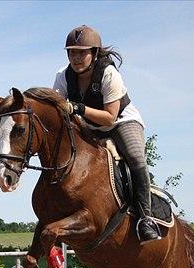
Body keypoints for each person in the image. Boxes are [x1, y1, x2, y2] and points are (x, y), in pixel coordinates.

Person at [53, 25, 161, 245]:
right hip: (88, 125)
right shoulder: (62, 76)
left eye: (82, 52)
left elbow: (109, 117)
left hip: (121, 121)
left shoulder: (109, 73)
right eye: (72, 52)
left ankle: (145, 219)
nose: (76, 57)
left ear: (94, 53)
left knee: (135, 157)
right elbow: (59, 110)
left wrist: (78, 108)